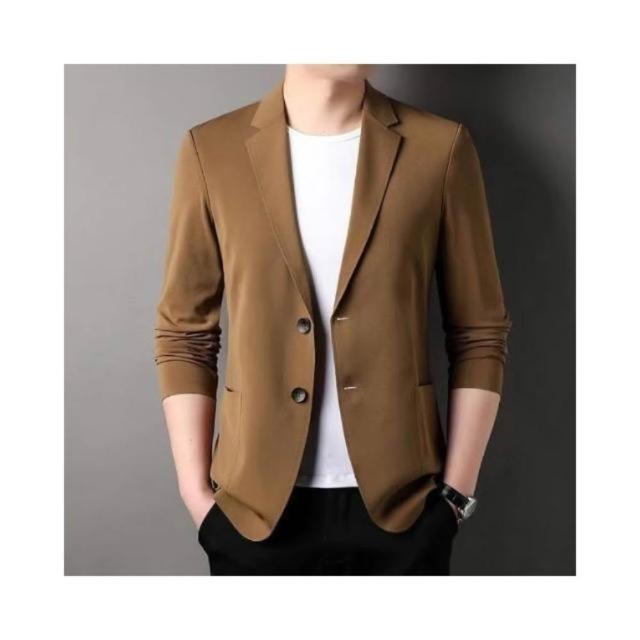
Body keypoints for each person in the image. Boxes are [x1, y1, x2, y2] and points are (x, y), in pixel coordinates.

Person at [153, 64, 511, 575]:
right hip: (253, 515)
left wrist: (454, 498)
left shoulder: (439, 148)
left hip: (406, 512)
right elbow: (185, 334)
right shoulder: (212, 150)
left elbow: (480, 332)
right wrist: (198, 499)